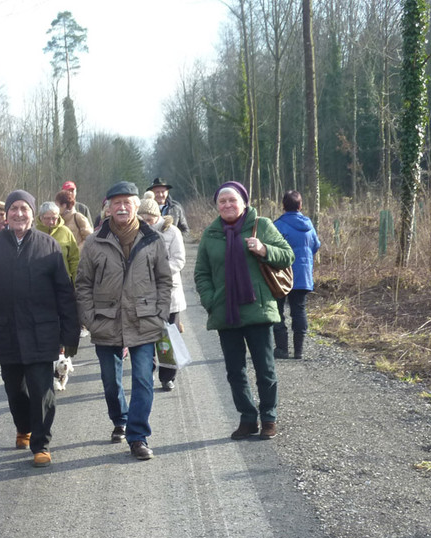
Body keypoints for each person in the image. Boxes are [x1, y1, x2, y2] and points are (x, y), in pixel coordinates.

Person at [0, 189, 81, 468]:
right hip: (6, 331)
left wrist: (70, 332)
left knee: (42, 391)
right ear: (6, 214)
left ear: (32, 214)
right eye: (13, 208)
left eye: (24, 209)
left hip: (42, 331)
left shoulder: (48, 246)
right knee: (15, 391)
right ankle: (24, 427)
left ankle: (41, 444)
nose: (18, 214)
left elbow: (64, 293)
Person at [75, 182, 172, 461]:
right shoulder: (94, 242)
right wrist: (89, 318)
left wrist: (160, 313)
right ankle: (120, 419)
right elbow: (83, 284)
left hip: (145, 320)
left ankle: (138, 436)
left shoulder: (153, 239)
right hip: (105, 321)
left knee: (143, 379)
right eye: (116, 203)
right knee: (110, 382)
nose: (121, 207)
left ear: (136, 206)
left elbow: (164, 280)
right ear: (107, 208)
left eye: (127, 202)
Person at [194, 181, 294, 440]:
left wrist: (264, 249)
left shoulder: (262, 225)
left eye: (232, 200)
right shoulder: (210, 234)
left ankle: (269, 417)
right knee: (234, 371)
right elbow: (202, 273)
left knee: (265, 368)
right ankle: (248, 418)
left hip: (258, 309)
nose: (227, 204)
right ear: (217, 206)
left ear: (244, 202)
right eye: (222, 201)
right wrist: (210, 300)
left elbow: (287, 256)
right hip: (226, 312)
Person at [138, 193, 187, 391]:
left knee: (168, 337)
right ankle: (147, 374)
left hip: (169, 294)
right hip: (144, 294)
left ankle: (167, 377)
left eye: (149, 219)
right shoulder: (137, 232)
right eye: (142, 219)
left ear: (157, 216)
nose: (146, 222)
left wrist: (160, 272)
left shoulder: (172, 232)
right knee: (147, 336)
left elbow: (179, 260)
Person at [272, 190, 321, 359]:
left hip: (281, 275)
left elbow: (270, 250)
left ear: (283, 205)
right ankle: (298, 351)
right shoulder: (309, 225)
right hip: (303, 275)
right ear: (300, 205)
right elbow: (316, 245)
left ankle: (282, 349)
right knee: (299, 310)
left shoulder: (277, 225)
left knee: (277, 310)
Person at [35, 201, 80, 283]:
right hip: (39, 282)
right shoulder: (33, 233)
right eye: (47, 218)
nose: (51, 222)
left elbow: (74, 260)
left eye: (54, 218)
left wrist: (76, 283)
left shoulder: (66, 232)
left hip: (63, 282)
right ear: (40, 217)